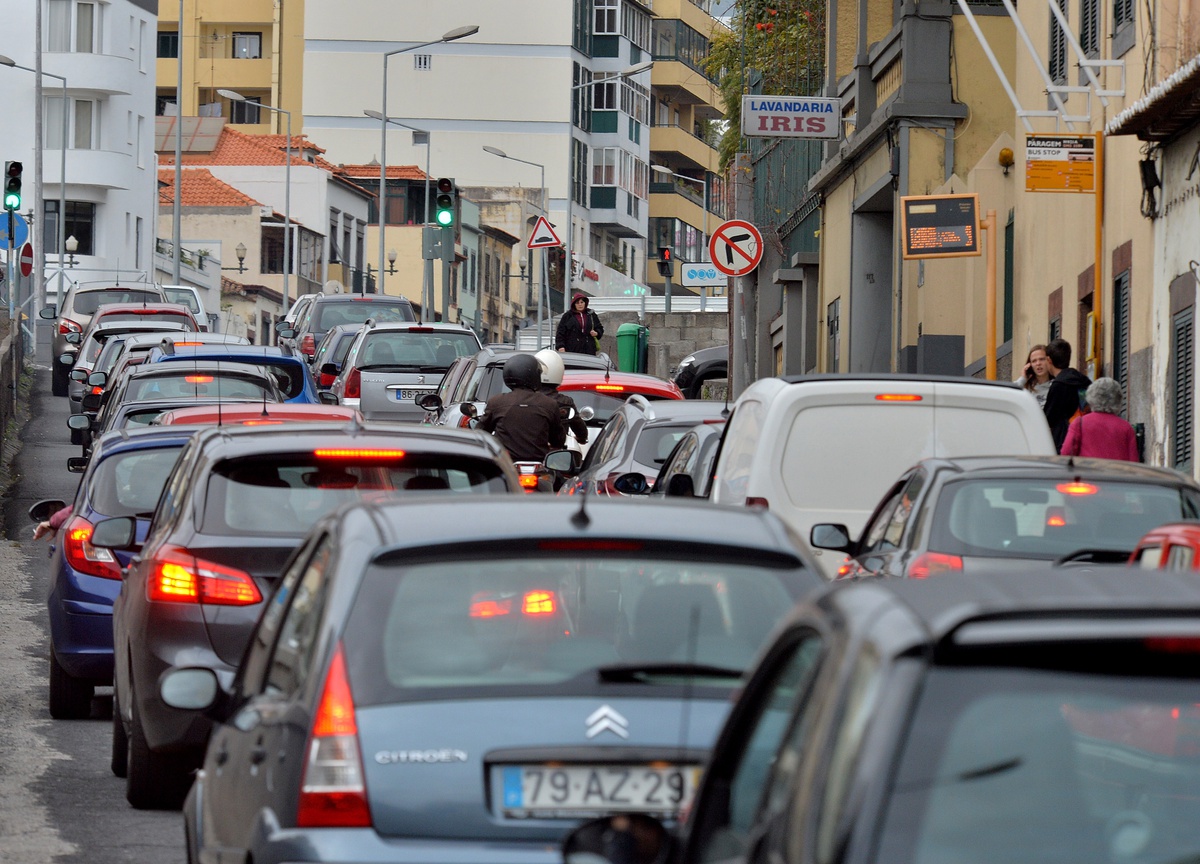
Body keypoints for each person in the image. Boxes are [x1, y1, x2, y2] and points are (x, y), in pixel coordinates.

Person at [477, 354, 566, 463]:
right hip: (539, 464)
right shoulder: (549, 404)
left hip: (506, 464)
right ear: (534, 376)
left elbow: (480, 433)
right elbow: (558, 440)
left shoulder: (496, 402)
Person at [1060, 377, 1139, 461]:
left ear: (1090, 397)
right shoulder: (1126, 427)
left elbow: (1066, 453)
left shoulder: (1079, 423)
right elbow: (1133, 461)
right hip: (1117, 469)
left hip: (1087, 468)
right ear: (1118, 399)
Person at [1042, 338, 1092, 451]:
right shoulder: (1083, 380)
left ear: (1049, 360)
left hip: (1065, 440)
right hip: (1086, 436)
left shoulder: (1059, 385)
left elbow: (1048, 418)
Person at [535, 348, 588, 446]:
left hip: (527, 449)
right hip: (556, 451)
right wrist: (581, 438)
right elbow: (580, 429)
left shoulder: (525, 399)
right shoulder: (565, 402)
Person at [1016, 344, 1053, 409]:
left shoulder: (1056, 386)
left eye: (1041, 359)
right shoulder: (1025, 388)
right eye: (1034, 361)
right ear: (1030, 365)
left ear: (1049, 360)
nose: (1038, 363)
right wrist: (1022, 379)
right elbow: (1007, 397)